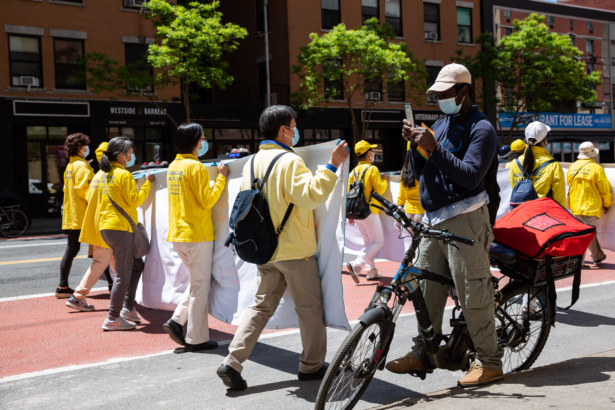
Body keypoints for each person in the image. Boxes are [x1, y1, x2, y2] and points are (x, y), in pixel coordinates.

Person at [386, 63, 503, 387]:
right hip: (435, 218)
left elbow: (470, 175)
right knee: (426, 289)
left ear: (463, 91)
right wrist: (416, 145)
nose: (439, 100)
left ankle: (489, 362)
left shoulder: (483, 128)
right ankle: (423, 352)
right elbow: (425, 171)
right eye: (436, 95)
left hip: (467, 216)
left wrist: (433, 147)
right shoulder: (441, 123)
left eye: (444, 94)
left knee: (472, 292)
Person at [217, 105, 349, 390]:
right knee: (309, 308)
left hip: (263, 249)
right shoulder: (289, 161)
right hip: (294, 249)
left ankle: (232, 362)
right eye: (293, 124)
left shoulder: (252, 162)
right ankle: (311, 366)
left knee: (260, 307)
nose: (296, 129)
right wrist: (332, 165)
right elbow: (311, 195)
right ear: (283, 130)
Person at [162, 124, 229, 352]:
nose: (204, 142)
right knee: (200, 287)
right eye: (202, 138)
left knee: (197, 284)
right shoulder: (196, 167)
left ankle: (178, 321)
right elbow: (208, 200)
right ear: (193, 141)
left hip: (178, 234)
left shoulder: (173, 166)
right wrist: (221, 178)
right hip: (197, 234)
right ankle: (195, 339)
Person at [99, 137, 154, 331]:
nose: (132, 156)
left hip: (108, 227)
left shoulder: (106, 174)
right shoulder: (124, 175)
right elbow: (134, 201)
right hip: (120, 228)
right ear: (121, 155)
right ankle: (113, 318)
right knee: (122, 275)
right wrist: (148, 184)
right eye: (130, 152)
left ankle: (128, 309)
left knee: (137, 265)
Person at [65, 142, 116, 311]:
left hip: (96, 224)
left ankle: (79, 296)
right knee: (115, 262)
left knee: (106, 261)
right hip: (111, 226)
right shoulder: (114, 175)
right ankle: (125, 301)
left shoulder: (96, 175)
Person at [56, 133, 94, 298]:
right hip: (83, 214)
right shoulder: (82, 166)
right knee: (101, 250)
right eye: (85, 145)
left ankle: (63, 286)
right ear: (80, 147)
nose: (86, 148)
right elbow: (84, 190)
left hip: (72, 214)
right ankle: (112, 284)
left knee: (72, 250)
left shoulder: (70, 166)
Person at [345, 140, 389, 283]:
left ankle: (371, 272)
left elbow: (349, 194)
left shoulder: (353, 172)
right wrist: (385, 180)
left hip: (356, 212)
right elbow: (380, 189)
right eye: (372, 151)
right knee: (377, 242)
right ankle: (357, 265)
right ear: (368, 153)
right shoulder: (372, 169)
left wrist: (351, 214)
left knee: (367, 242)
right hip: (370, 211)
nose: (374, 154)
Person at [567, 142, 612, 268]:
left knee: (585, 233)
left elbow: (569, 183)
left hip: (575, 206)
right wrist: (607, 203)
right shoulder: (596, 168)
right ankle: (579, 261)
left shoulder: (573, 167)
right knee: (586, 234)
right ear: (592, 155)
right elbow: (604, 189)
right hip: (590, 206)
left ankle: (597, 256)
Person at [508, 122, 566, 206]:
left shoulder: (515, 163)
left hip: (520, 214)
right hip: (542, 215)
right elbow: (559, 198)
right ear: (545, 139)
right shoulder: (553, 165)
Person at [395, 146, 425, 252]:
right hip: (423, 214)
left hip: (407, 214)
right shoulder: (425, 167)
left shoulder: (405, 170)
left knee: (408, 246)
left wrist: (397, 218)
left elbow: (400, 197)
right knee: (423, 248)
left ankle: (409, 268)